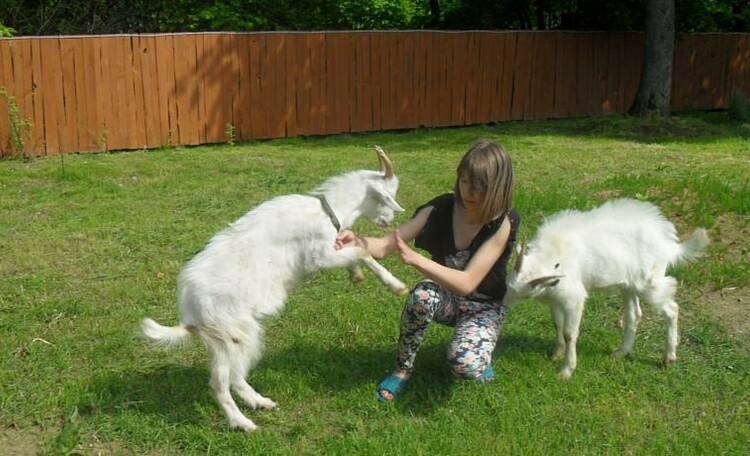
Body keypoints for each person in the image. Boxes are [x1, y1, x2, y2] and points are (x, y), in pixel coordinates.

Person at [335, 138, 520, 402]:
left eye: (478, 186)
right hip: (448, 299)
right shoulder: (441, 208)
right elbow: (388, 245)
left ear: (497, 188)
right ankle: (403, 369)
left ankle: (480, 350)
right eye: (464, 181)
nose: (468, 191)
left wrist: (416, 260)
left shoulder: (503, 222)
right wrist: (359, 241)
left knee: (465, 364)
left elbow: (468, 283)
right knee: (422, 296)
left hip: (484, 306)